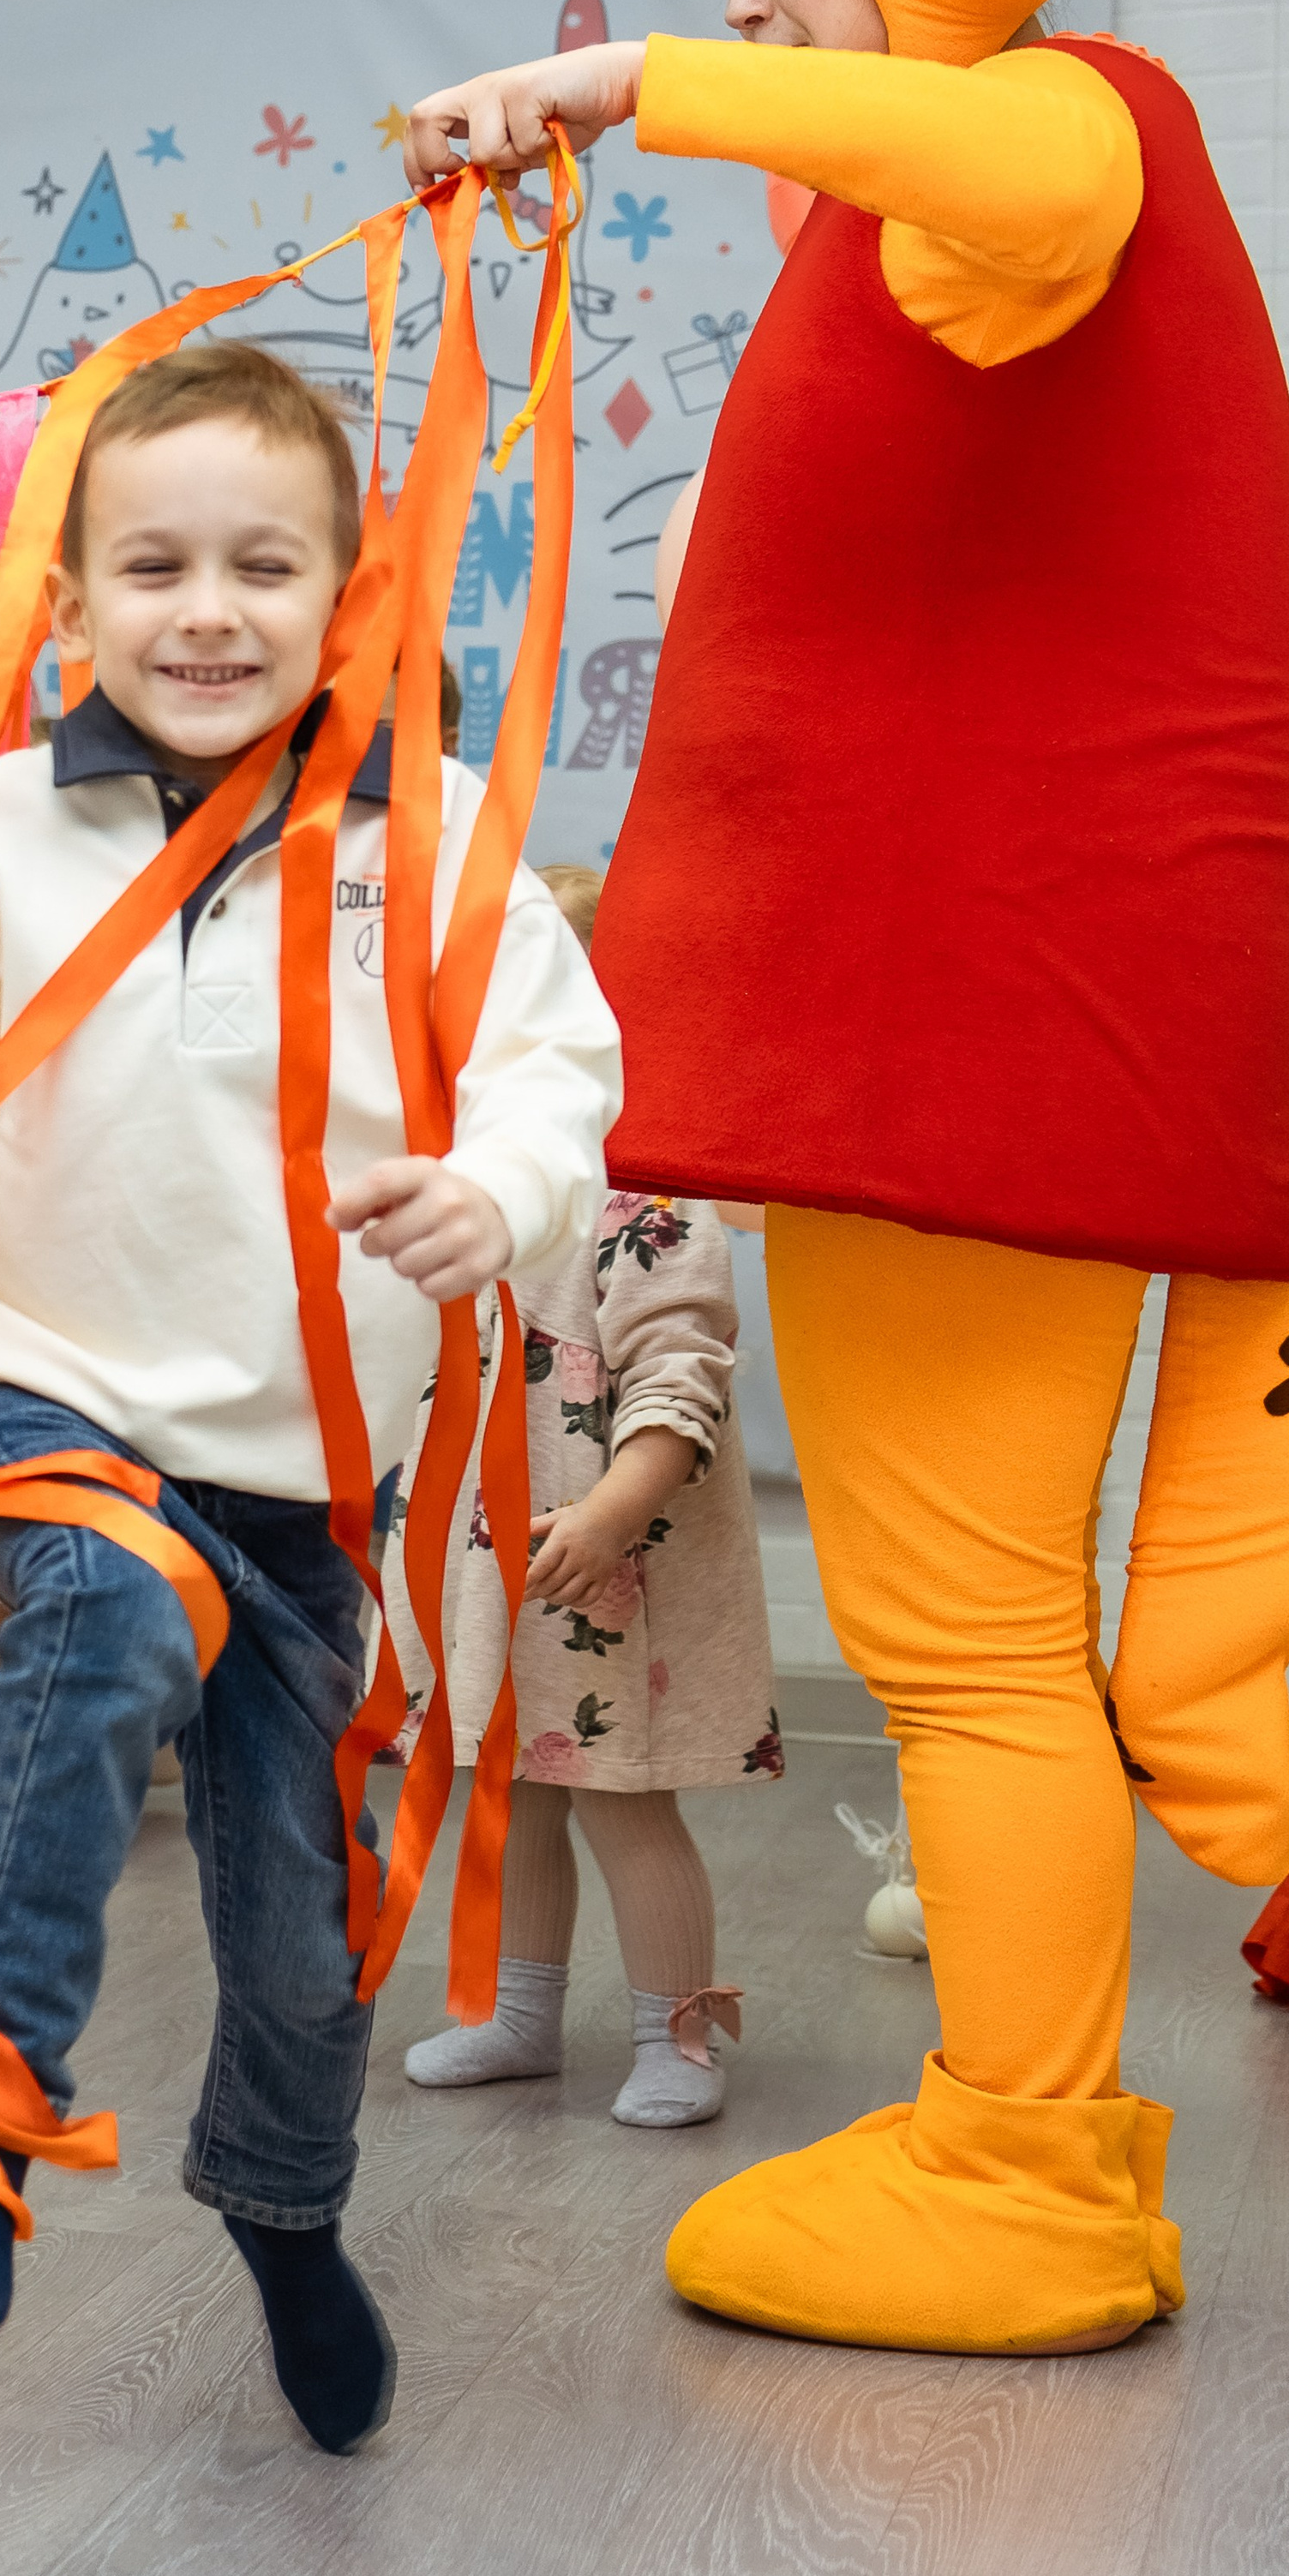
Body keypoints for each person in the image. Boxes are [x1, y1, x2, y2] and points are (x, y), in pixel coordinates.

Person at [398, 0, 1289, 2358]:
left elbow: (1020, 178)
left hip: (984, 1062)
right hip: (954, 1053)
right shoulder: (906, 222)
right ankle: (1037, 2127)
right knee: (979, 1624)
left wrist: (618, 80)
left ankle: (1033, 2170)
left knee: (960, 1631)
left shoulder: (1060, 129)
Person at [0, 343, 621, 2450]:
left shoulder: (425, 847)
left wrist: (494, 1191)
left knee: (295, 1931)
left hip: (300, 1471)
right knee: (111, 1600)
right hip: (30, 1391)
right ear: (64, 611)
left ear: (352, 595)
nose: (205, 607)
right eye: (149, 565)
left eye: (262, 562)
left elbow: (555, 1063)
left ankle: (285, 2207)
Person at [388, 863, 779, 2131]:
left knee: (620, 1799)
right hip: (501, 1572)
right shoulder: (476, 1197)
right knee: (519, 1790)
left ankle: (678, 2031)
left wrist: (613, 1510)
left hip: (609, 1574)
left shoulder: (648, 1204)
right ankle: (521, 2008)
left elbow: (684, 1382)